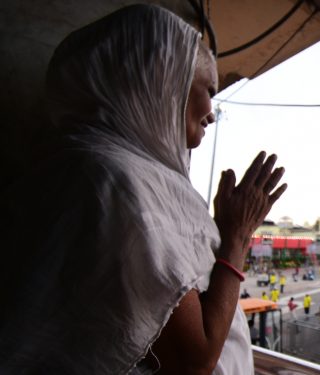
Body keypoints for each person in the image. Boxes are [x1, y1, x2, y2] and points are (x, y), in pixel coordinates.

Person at [0, 4, 287, 374]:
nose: (212, 112)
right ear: (163, 80)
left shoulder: (96, 169)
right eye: (208, 90)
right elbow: (194, 359)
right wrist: (236, 236)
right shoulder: (116, 181)